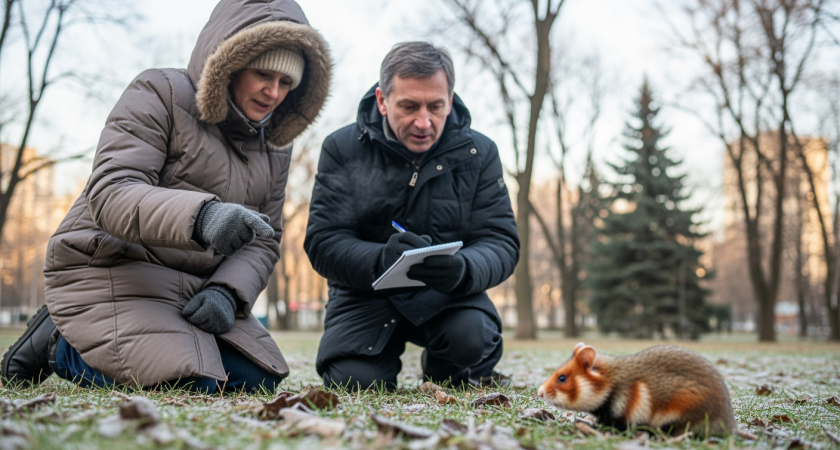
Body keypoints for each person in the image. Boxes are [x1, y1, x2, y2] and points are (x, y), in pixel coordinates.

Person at [1, 0, 331, 393]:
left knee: (257, 380)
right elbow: (111, 191)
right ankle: (61, 343)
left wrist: (227, 292)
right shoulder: (158, 92)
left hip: (192, 289)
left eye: (286, 83)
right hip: (112, 268)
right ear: (230, 60)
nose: (273, 93)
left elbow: (266, 238)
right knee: (191, 383)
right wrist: (203, 218)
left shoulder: (276, 144)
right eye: (263, 74)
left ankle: (107, 337)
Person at [304, 42, 520, 391]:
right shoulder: (340, 149)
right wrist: (381, 259)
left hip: (449, 294)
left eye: (436, 106)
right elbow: (323, 241)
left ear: (450, 100)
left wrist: (464, 270)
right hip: (365, 293)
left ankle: (442, 365)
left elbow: (501, 242)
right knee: (354, 383)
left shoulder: (480, 153)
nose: (424, 122)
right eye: (408, 106)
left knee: (472, 341)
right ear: (382, 101)